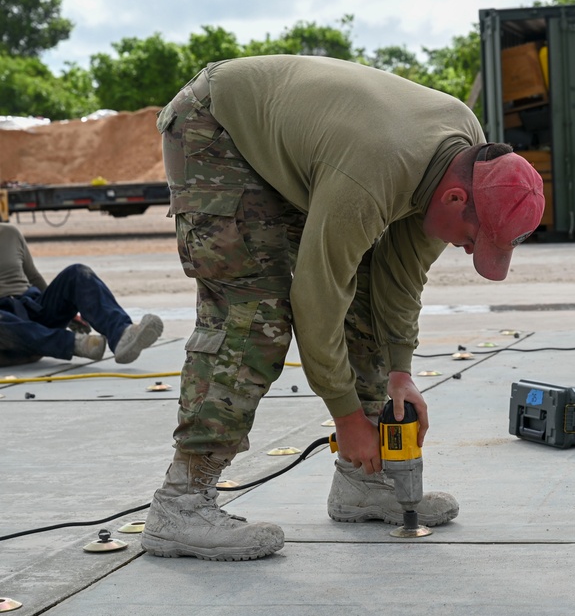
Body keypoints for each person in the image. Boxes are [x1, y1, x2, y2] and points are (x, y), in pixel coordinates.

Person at [142, 55, 544, 562]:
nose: (469, 251)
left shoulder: (465, 153)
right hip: (219, 128)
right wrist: (347, 416)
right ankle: (181, 504)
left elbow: (398, 278)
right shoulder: (374, 172)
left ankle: (363, 483)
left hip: (318, 149)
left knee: (369, 305)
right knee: (253, 316)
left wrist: (401, 374)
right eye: (473, 239)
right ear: (455, 197)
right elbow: (316, 295)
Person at [0, 223, 164, 365]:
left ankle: (122, 334)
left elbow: (35, 278)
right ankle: (75, 344)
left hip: (30, 310)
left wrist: (62, 310)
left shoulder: (10, 233)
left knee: (77, 273)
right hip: (8, 336)